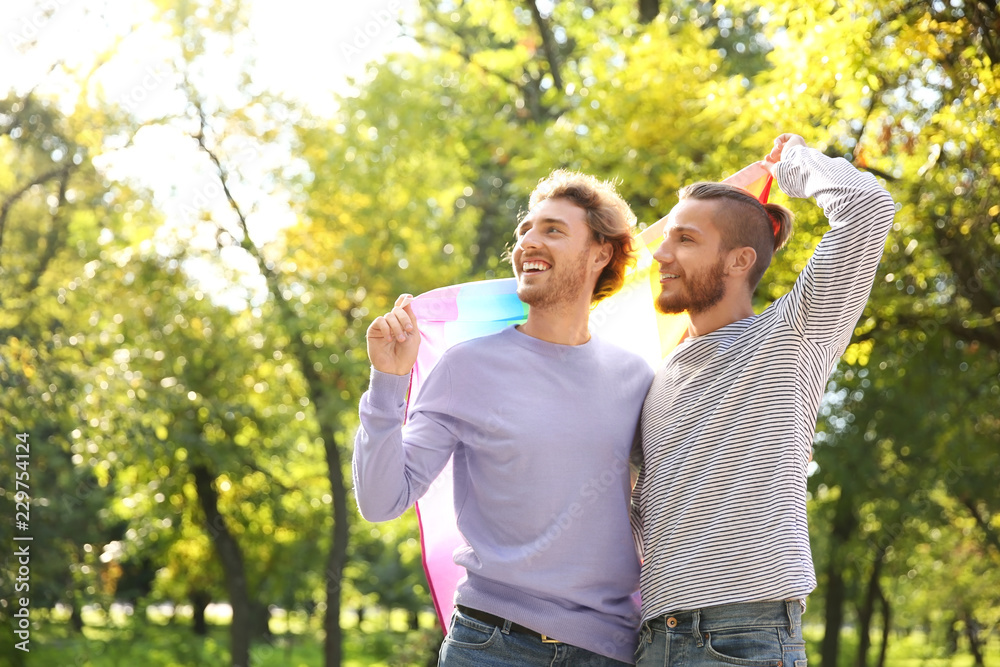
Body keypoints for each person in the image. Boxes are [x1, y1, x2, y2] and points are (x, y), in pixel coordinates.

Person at [353, 170, 655, 666]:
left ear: (601, 253)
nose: (528, 242)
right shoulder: (466, 366)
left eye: (553, 230)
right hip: (492, 646)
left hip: (611, 650)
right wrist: (388, 382)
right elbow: (382, 500)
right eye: (525, 230)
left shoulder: (637, 377)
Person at [632, 133, 896, 667]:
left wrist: (794, 160)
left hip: (743, 639)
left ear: (738, 261)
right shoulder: (654, 377)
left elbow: (867, 207)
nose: (658, 253)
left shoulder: (792, 337)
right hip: (653, 638)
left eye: (684, 239)